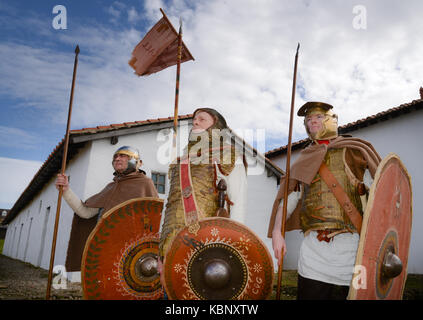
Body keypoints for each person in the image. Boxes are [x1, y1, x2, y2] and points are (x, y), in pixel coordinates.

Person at [268, 102, 382, 300]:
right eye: (308, 120)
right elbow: (289, 198)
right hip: (314, 250)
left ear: (332, 120)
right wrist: (278, 232)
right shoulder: (304, 158)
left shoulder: (355, 150)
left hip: (353, 247)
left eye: (318, 117)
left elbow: (381, 190)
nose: (312, 121)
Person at [157, 107, 248, 288]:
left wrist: (235, 242)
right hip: (171, 239)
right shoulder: (179, 161)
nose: (195, 122)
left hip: (205, 239)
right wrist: (161, 239)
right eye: (194, 120)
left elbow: (237, 200)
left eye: (202, 119)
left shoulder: (226, 154)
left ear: (216, 126)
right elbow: (170, 203)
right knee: (171, 290)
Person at [56, 145, 159, 272]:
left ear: (137, 162)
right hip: (104, 247)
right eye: (115, 156)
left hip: (131, 252)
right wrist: (66, 190)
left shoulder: (145, 184)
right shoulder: (111, 187)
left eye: (123, 155)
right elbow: (85, 212)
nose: (117, 159)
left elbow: (152, 222)